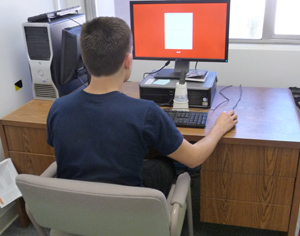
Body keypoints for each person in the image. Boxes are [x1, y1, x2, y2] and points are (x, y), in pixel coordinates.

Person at [47, 17, 238, 196]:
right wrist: (219, 128)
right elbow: (195, 157)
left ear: (85, 61)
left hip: (75, 216)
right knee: (166, 165)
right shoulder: (146, 112)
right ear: (128, 62)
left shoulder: (58, 108)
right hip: (128, 219)